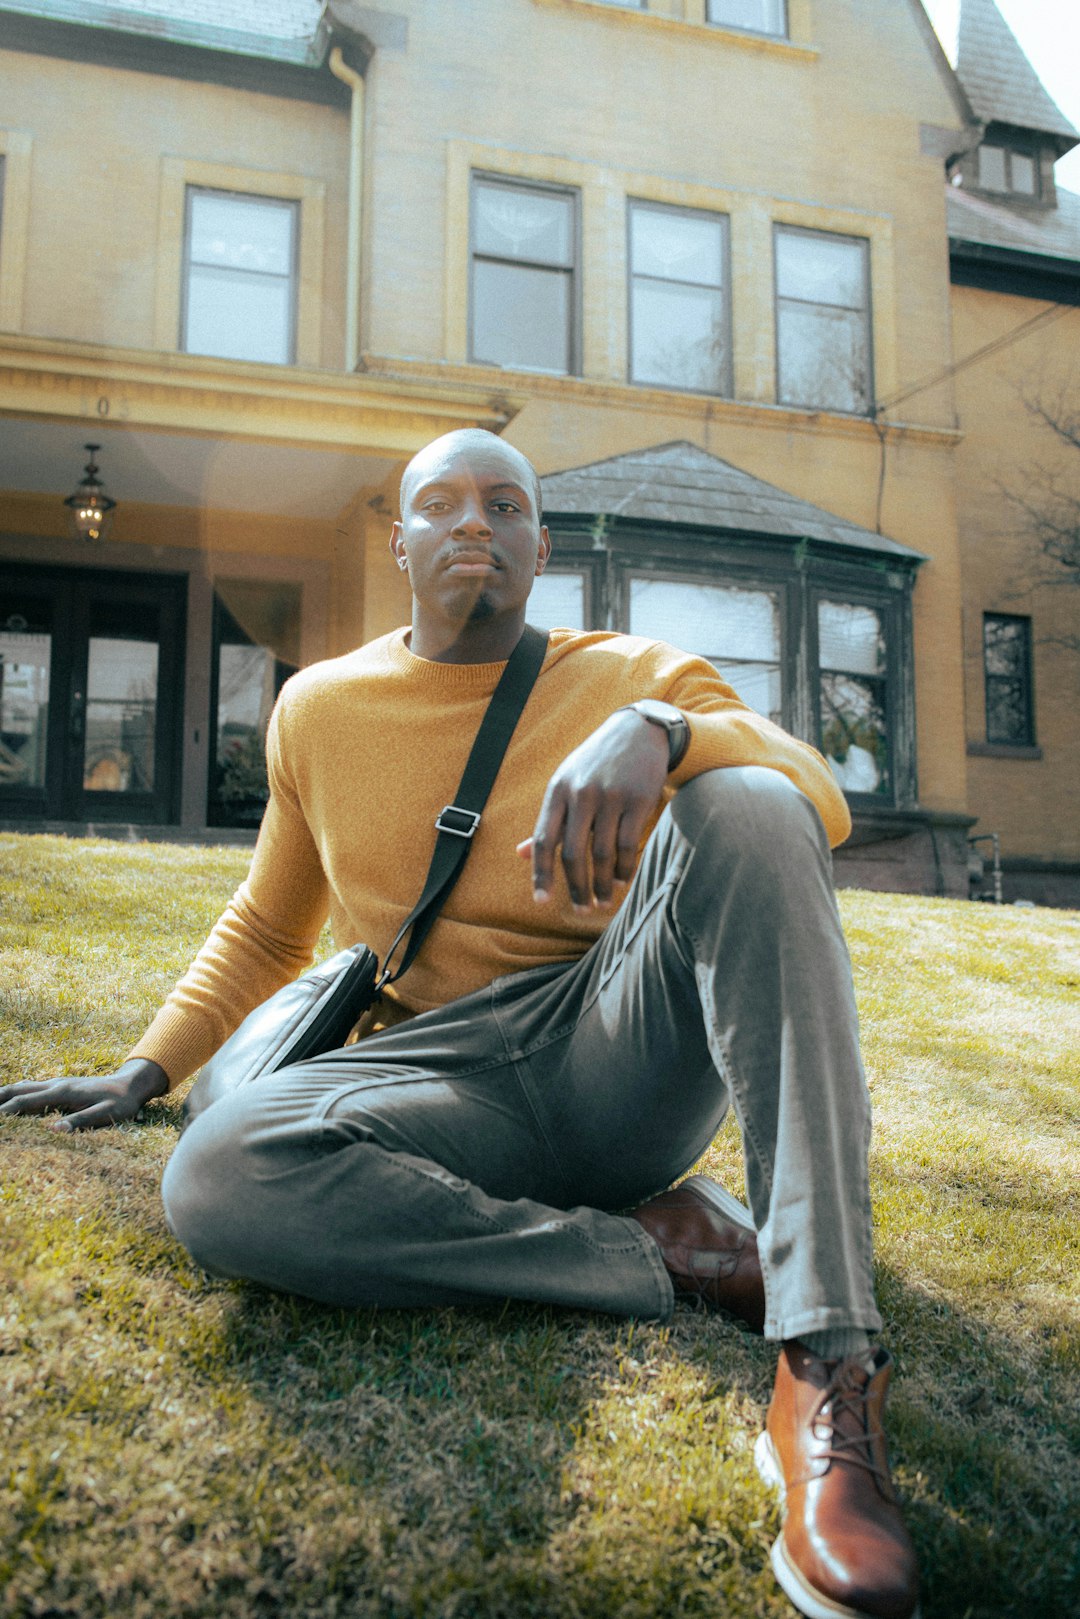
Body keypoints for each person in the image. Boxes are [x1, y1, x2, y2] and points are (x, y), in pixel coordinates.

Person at [0, 429, 919, 1619]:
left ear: (540, 545)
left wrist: (667, 733)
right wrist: (144, 1068)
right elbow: (267, 925)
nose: (473, 522)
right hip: (437, 1078)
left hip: (611, 1042)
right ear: (401, 541)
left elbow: (820, 797)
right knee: (216, 1173)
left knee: (748, 802)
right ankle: (666, 1246)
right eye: (441, 502)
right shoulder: (317, 710)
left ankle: (825, 1362)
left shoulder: (635, 669)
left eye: (505, 504)